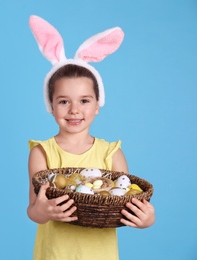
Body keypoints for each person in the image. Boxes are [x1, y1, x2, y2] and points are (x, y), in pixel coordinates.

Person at [27, 15, 155, 260]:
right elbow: (33, 210)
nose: (74, 110)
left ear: (98, 105)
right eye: (63, 101)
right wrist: (44, 212)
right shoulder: (41, 152)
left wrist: (146, 219)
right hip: (55, 254)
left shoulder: (111, 153)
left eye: (84, 101)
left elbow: (126, 200)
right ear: (51, 107)